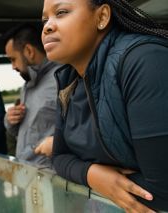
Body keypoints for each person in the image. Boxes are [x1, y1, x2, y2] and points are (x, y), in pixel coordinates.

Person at [42, 0, 168, 211]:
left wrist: (98, 179)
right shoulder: (69, 81)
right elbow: (59, 156)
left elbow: (163, 190)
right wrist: (93, 175)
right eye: (45, 19)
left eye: (61, 12)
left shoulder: (144, 61)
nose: (47, 26)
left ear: (102, 17)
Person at [2, 24, 62, 168]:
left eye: (13, 59)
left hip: (51, 178)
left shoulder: (63, 79)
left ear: (29, 51)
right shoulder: (27, 86)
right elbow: (23, 132)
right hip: (29, 173)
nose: (13, 67)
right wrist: (10, 121)